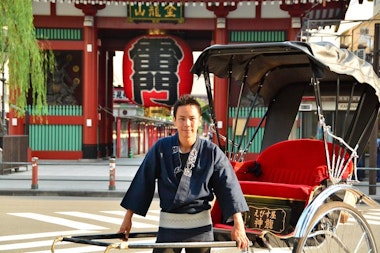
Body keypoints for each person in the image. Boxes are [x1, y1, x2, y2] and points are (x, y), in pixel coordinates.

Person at [118, 94, 250, 253]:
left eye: (192, 118)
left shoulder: (211, 152)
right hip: (169, 226)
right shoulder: (161, 148)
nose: (187, 123)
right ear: (174, 120)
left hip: (200, 228)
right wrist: (127, 219)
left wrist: (238, 225)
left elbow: (228, 186)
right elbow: (143, 181)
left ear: (200, 120)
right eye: (182, 118)